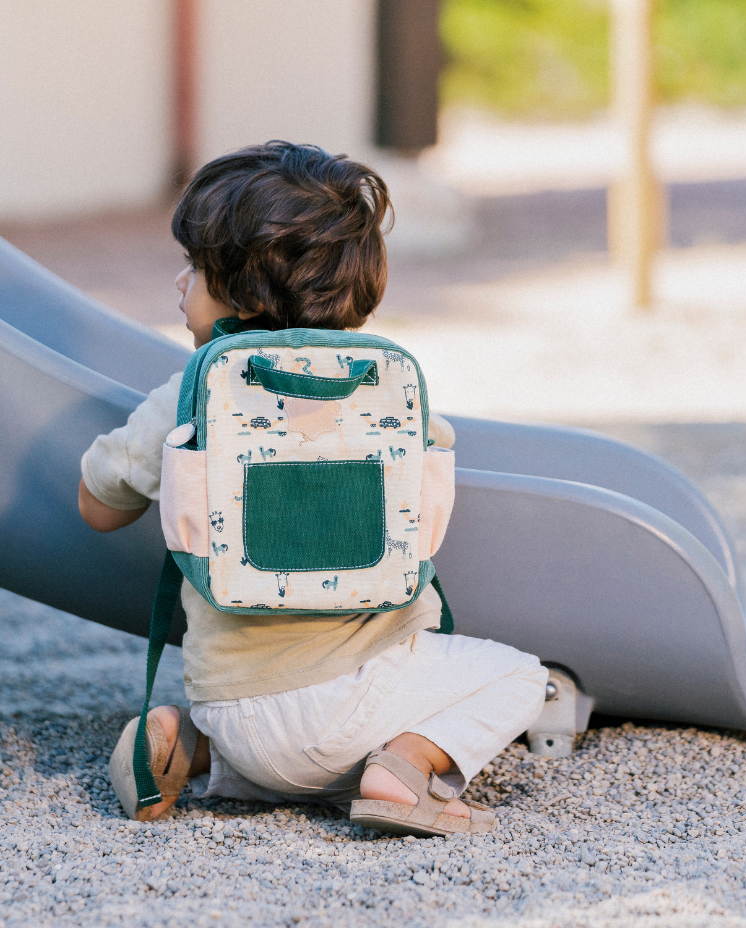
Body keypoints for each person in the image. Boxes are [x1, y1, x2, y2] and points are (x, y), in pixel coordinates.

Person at [78, 141, 548, 836]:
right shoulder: (390, 397)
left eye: (195, 270)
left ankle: (195, 748)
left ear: (240, 292)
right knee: (521, 676)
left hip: (231, 710)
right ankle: (405, 772)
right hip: (347, 708)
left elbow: (98, 508)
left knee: (309, 742)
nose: (180, 285)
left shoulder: (185, 398)